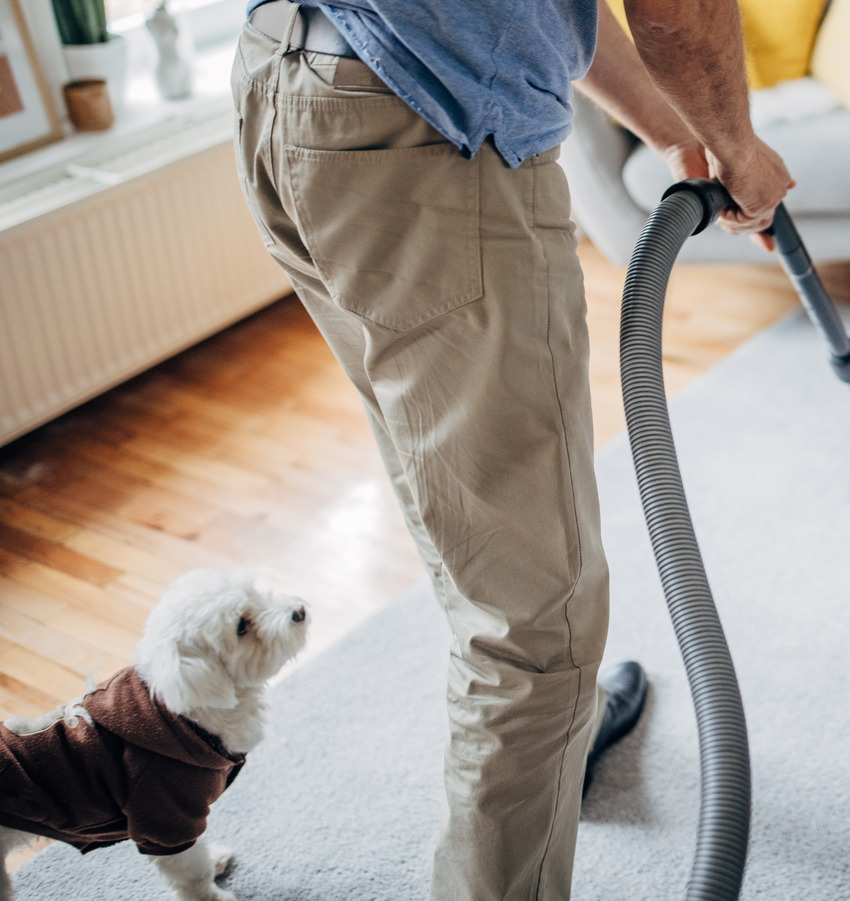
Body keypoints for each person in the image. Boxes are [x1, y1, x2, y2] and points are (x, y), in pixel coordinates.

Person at [229, 1, 793, 899]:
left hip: (293, 89)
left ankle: (550, 733)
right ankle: (542, 711)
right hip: (431, 136)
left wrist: (675, 132)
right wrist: (738, 142)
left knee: (466, 505)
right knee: (535, 621)